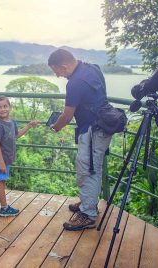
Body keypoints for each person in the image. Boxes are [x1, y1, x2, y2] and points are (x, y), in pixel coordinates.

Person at [48, 48, 112, 231]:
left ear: (64, 65)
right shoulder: (93, 68)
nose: (58, 76)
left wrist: (56, 127)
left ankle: (87, 215)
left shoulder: (74, 83)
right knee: (94, 167)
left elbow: (67, 116)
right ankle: (88, 202)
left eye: (57, 71)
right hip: (103, 124)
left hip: (93, 130)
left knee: (87, 169)